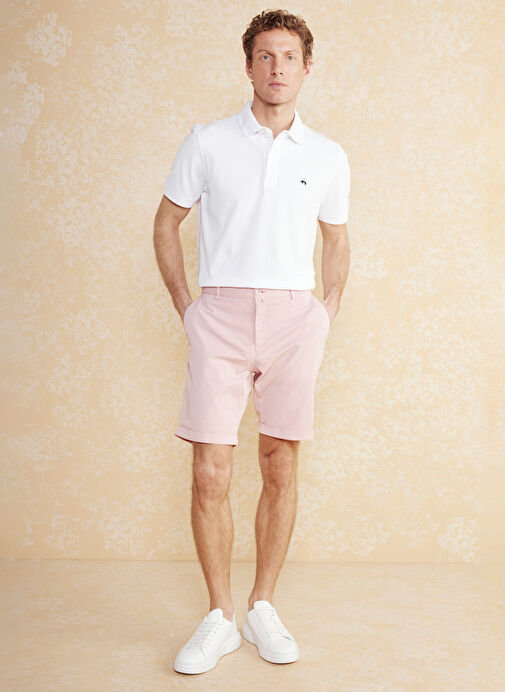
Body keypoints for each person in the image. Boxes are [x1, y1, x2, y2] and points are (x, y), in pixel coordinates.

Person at [153, 9, 351, 675]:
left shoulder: (327, 156)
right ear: (247, 66)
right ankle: (219, 617)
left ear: (306, 68)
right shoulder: (207, 142)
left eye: (288, 57)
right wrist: (188, 309)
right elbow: (165, 223)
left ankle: (262, 605)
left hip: (295, 319)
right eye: (265, 56)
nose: (276, 68)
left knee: (279, 463)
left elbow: (337, 239)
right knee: (209, 468)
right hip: (221, 313)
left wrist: (324, 311)